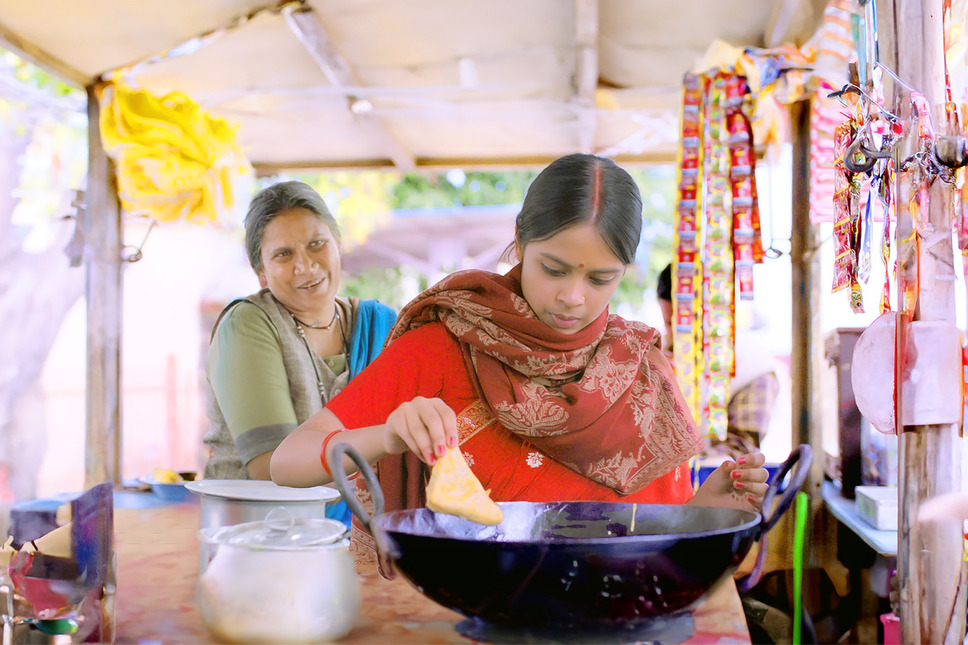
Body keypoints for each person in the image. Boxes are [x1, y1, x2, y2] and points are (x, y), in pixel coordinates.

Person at [270, 154, 768, 567]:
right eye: (553, 269)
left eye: (600, 279)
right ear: (520, 243)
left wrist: (706, 512)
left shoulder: (642, 375)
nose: (573, 297)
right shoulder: (443, 345)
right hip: (468, 621)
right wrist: (387, 437)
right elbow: (287, 462)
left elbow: (655, 542)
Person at [202, 180, 397, 490]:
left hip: (362, 531)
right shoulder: (249, 324)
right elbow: (272, 468)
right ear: (261, 272)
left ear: (337, 242)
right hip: (260, 529)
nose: (305, 266)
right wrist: (386, 445)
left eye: (316, 244)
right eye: (283, 254)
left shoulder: (381, 326)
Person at [656, 263, 780, 460]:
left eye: (689, 322)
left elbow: (739, 451)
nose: (679, 334)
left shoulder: (754, 368)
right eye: (669, 323)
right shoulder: (658, 355)